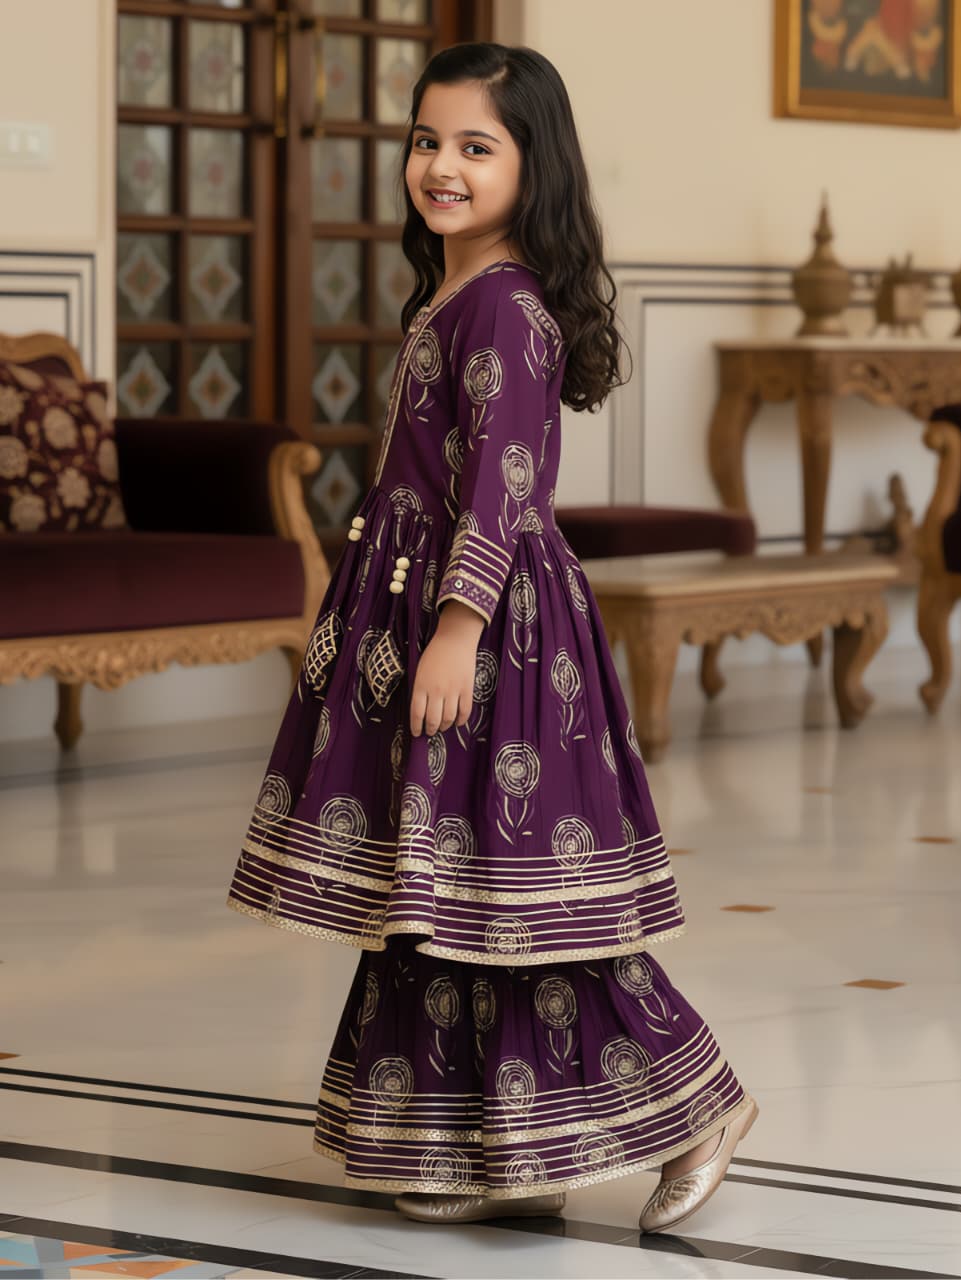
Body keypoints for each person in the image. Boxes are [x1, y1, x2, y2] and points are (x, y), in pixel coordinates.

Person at [227, 41, 757, 1235]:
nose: (442, 166)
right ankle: (504, 1141)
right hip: (418, 610)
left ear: (534, 165)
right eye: (427, 140)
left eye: (477, 146)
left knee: (517, 902)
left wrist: (456, 630)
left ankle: (696, 1103)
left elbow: (504, 485)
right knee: (435, 892)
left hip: (491, 632)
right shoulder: (451, 292)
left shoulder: (509, 308)